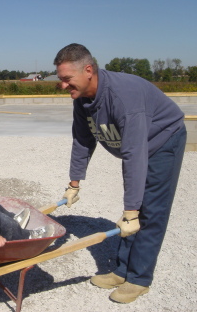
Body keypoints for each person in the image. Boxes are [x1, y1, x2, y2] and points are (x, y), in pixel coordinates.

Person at [54, 43, 187, 303]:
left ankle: (138, 278)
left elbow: (134, 155)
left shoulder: (124, 97)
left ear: (88, 70)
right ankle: (122, 269)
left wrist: (130, 210)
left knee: (149, 210)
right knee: (133, 214)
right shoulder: (81, 98)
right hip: (138, 146)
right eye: (60, 79)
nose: (62, 85)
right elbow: (82, 139)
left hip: (162, 142)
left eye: (67, 79)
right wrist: (74, 183)